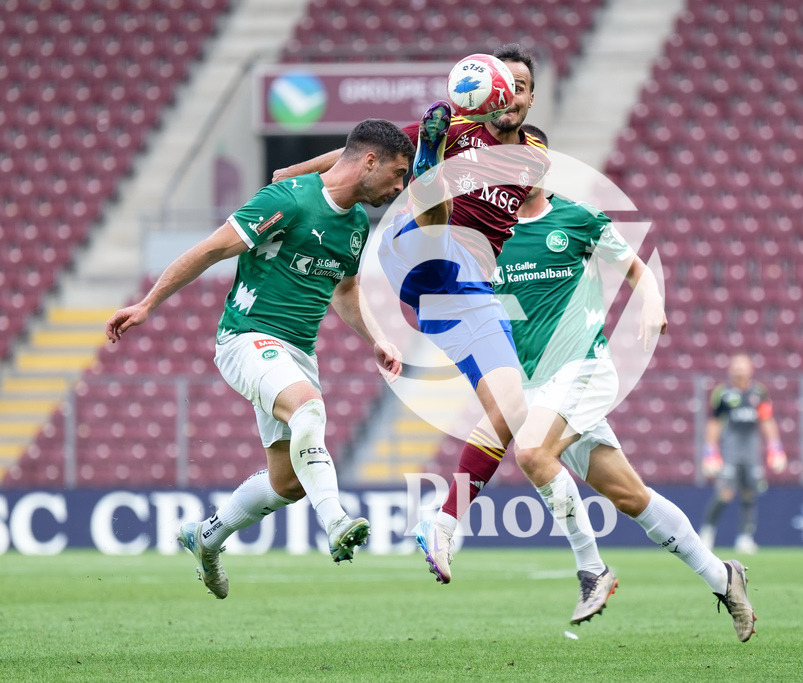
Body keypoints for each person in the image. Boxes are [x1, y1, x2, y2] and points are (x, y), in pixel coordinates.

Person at [273, 44, 548, 587]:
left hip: (461, 293)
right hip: (414, 250)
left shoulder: (535, 152)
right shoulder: (453, 124)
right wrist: (294, 175)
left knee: (510, 407)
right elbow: (358, 154)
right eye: (503, 83)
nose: (509, 94)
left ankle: (442, 524)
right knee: (440, 204)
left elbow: (534, 200)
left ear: (530, 96)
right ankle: (427, 177)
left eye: (520, 86)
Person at [104, 118, 413, 599]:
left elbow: (346, 290)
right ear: (369, 161)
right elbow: (211, 249)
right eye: (397, 174)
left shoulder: (354, 225)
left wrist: (375, 337)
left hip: (296, 353)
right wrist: (147, 304)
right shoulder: (288, 200)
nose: (399, 186)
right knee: (309, 407)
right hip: (247, 338)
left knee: (287, 483)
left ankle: (206, 537)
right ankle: (335, 522)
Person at [483, 124, 754, 639]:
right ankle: (724, 577)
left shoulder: (576, 218)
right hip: (541, 384)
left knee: (533, 454)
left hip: (585, 369)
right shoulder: (493, 235)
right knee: (631, 498)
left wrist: (652, 298)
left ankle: (592, 570)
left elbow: (635, 268)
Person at [699, 352, 787, 554]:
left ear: (750, 369)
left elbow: (766, 420)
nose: (739, 368)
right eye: (736, 364)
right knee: (724, 493)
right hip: (730, 452)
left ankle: (745, 538)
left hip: (751, 453)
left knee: (749, 493)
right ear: (730, 369)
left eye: (743, 365)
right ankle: (707, 534)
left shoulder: (759, 393)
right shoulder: (722, 393)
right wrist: (711, 452)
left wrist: (775, 448)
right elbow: (714, 423)